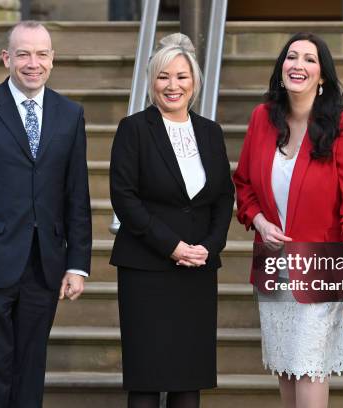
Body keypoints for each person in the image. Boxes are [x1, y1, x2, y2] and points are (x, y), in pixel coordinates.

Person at [0, 21, 92, 407]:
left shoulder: (70, 114)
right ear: (6, 58)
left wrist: (77, 264)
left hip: (44, 265)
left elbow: (77, 195)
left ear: (52, 59)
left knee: (30, 373)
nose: (33, 63)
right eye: (24, 54)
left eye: (42, 54)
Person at [233, 32, 343, 408]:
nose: (298, 65)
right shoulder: (262, 118)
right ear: (281, 70)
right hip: (272, 268)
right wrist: (259, 222)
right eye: (291, 57)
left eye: (310, 59)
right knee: (287, 369)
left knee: (309, 369)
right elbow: (243, 183)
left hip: (321, 267)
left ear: (322, 75)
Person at [109, 33, 234, 408]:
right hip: (146, 269)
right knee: (147, 381)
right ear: (151, 81)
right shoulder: (133, 129)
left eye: (181, 76)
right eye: (163, 76)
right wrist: (172, 246)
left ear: (194, 82)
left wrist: (209, 247)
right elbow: (125, 198)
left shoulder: (210, 133)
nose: (172, 85)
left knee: (188, 379)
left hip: (196, 271)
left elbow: (224, 195)